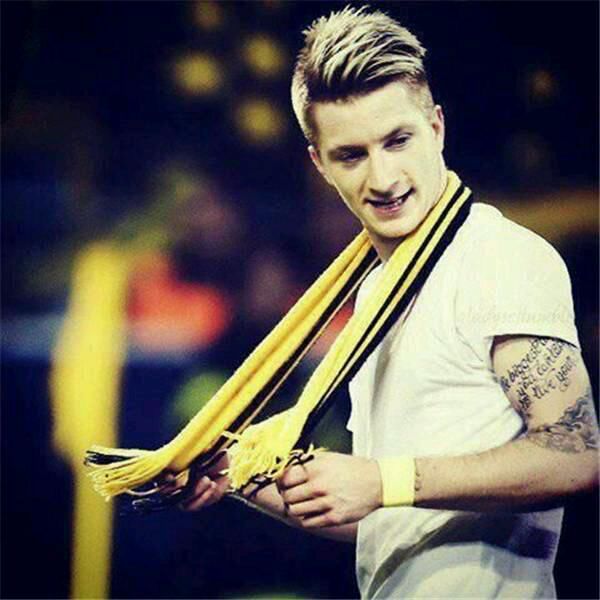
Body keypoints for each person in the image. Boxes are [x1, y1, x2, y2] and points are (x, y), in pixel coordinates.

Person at [171, 6, 599, 598]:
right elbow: (385, 517)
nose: (383, 177)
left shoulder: (498, 256)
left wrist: (381, 481)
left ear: (437, 129)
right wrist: (234, 471)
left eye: (398, 140)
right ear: (320, 165)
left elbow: (577, 454)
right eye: (351, 155)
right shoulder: (376, 289)